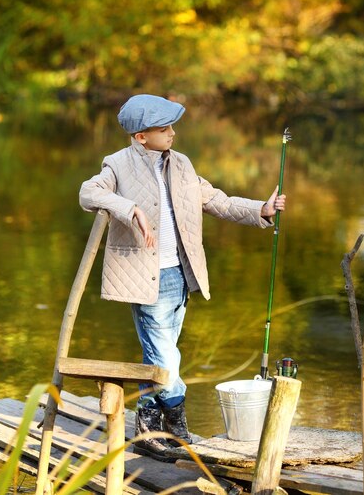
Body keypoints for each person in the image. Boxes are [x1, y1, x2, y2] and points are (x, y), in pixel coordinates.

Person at [79, 94, 286, 461]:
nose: (173, 133)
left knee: (161, 355)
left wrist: (261, 209)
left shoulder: (182, 164)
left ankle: (147, 426)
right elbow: (89, 192)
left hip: (181, 272)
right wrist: (131, 210)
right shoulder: (118, 164)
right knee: (164, 353)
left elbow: (216, 200)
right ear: (141, 136)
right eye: (164, 128)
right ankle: (175, 422)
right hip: (144, 276)